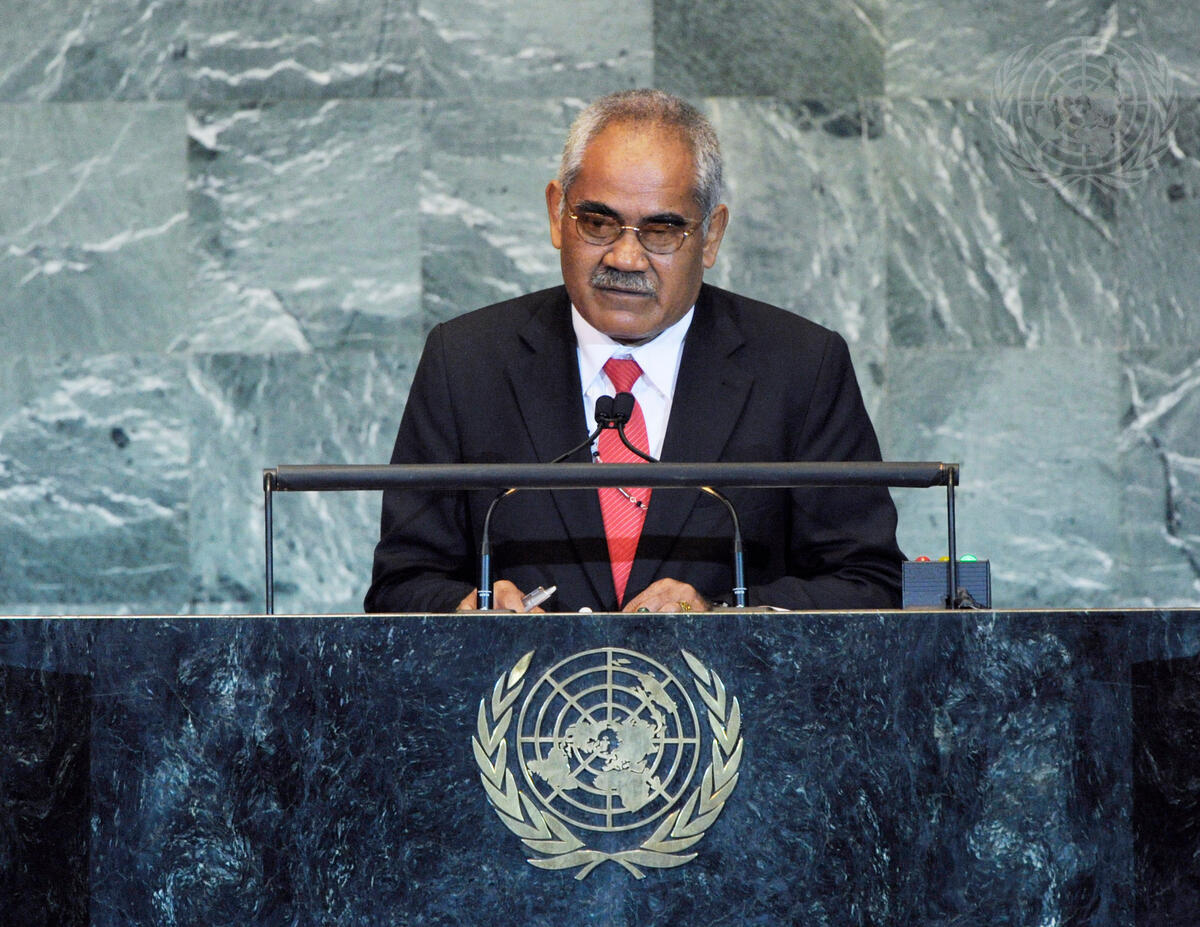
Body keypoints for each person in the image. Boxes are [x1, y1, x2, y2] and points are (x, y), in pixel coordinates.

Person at [365, 89, 903, 615]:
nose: (625, 257)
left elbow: (869, 580)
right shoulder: (467, 362)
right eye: (598, 223)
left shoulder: (800, 366)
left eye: (661, 230)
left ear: (711, 235)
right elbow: (402, 582)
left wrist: (721, 615)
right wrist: (468, 609)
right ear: (557, 214)